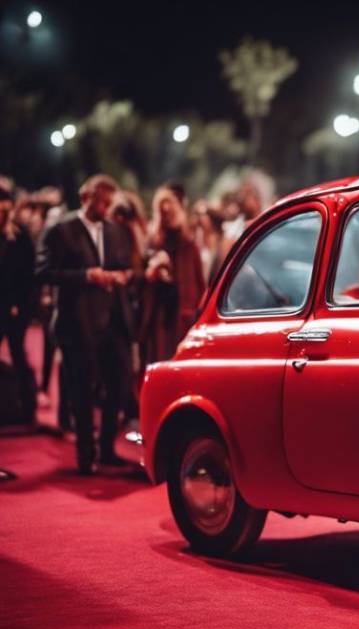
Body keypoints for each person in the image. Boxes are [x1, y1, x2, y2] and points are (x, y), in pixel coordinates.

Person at [35, 175, 135, 474]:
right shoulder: (60, 230)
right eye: (100, 202)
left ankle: (106, 448)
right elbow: (43, 273)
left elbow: (123, 267)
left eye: (108, 203)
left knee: (118, 387)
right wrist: (86, 276)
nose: (105, 208)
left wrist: (122, 277)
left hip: (114, 322)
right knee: (82, 390)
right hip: (77, 322)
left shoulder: (116, 231)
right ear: (85, 197)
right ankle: (85, 454)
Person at [138, 186, 206, 367]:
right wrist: (152, 274)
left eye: (172, 210)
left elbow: (200, 285)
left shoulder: (190, 246)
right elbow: (143, 282)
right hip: (161, 318)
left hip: (185, 317)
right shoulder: (152, 244)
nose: (169, 215)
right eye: (164, 212)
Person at [0, 187, 38, 424]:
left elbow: (28, 275)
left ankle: (28, 408)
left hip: (14, 308)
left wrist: (21, 306)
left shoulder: (19, 237)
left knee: (18, 354)